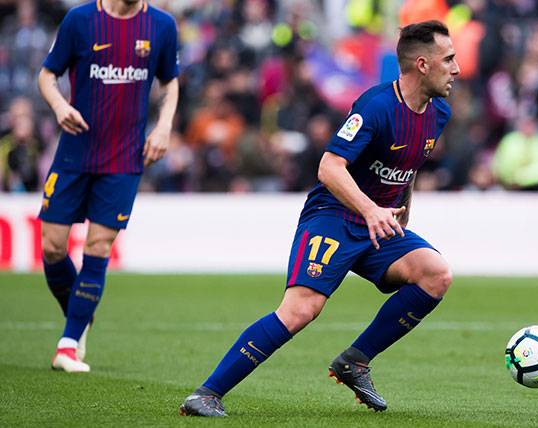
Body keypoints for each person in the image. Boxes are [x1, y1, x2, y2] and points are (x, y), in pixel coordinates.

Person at [179, 20, 459, 417]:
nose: (457, 69)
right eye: (448, 59)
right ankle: (207, 393)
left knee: (436, 274)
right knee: (301, 310)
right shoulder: (377, 106)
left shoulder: (439, 113)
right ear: (422, 64)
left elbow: (408, 166)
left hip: (379, 224)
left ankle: (355, 361)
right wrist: (369, 209)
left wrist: (403, 210)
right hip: (335, 217)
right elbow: (329, 167)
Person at [38, 0, 179, 372]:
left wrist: (164, 126)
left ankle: (68, 344)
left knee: (98, 245)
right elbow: (47, 75)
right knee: (52, 246)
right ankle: (80, 314)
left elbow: (170, 82)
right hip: (74, 153)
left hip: (123, 159)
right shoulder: (80, 20)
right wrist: (59, 106)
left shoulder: (161, 26)